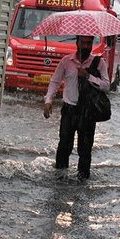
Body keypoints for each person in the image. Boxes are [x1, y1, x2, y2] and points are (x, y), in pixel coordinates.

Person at [43, 35, 110, 182]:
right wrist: (49, 100)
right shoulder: (66, 61)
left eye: (89, 43)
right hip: (69, 110)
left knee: (85, 150)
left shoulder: (99, 63)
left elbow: (106, 86)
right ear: (77, 43)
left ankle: (82, 180)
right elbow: (54, 81)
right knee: (63, 147)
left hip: (88, 113)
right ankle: (59, 179)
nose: (86, 46)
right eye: (83, 43)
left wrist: (88, 76)